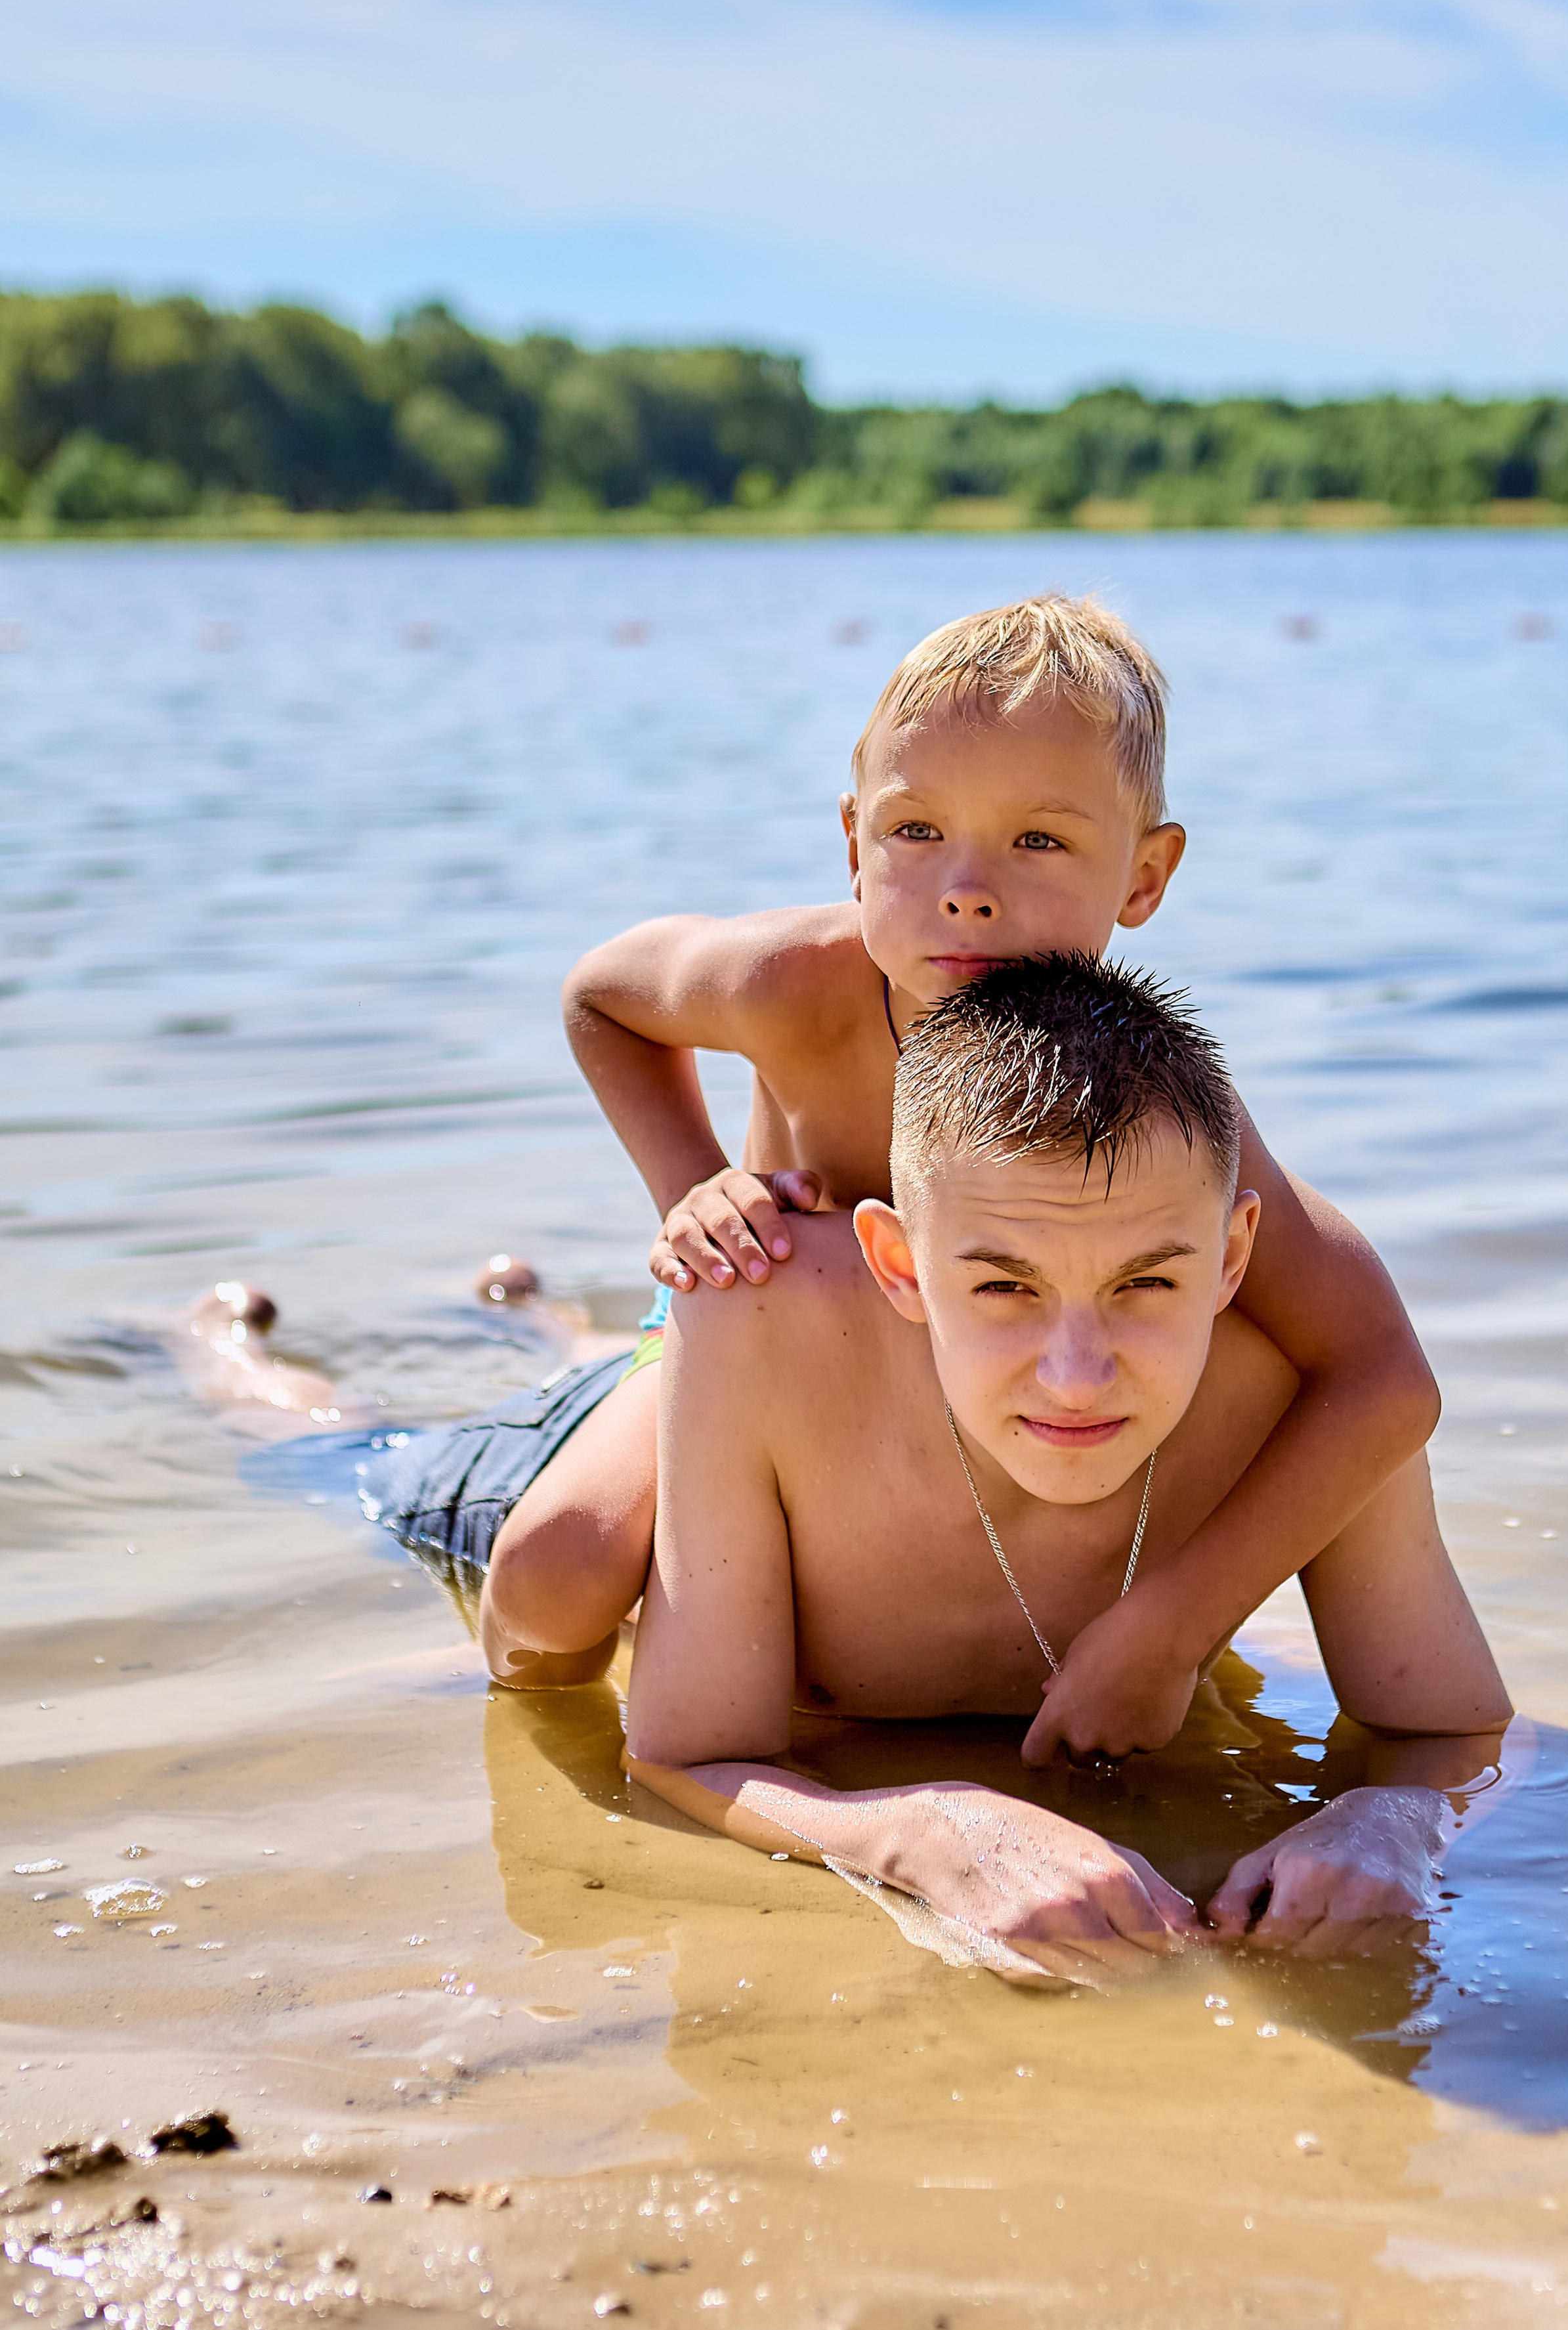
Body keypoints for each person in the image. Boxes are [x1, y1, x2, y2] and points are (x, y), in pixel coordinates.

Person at [541, 592, 1440, 1762]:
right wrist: (693, 1186)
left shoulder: (1137, 1098)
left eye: (1040, 840)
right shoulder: (789, 983)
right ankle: (567, 1349)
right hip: (761, 1352)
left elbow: (1382, 1376)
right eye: (917, 833)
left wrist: (1175, 1627)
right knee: (559, 1561)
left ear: (1146, 879)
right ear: (855, 840)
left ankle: (553, 1331)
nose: (967, 888)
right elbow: (601, 997)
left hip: (982, 1376)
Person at [619, 954, 1512, 1979]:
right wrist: (921, 1833)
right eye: (1006, 1286)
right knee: (545, 1569)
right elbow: (678, 1754)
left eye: (1146, 1282)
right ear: (900, 1263)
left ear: (1231, 1256)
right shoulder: (753, 1320)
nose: (1078, 1376)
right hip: (591, 1445)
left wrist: (1390, 1822)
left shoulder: (1310, 1398)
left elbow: (1457, 1733)